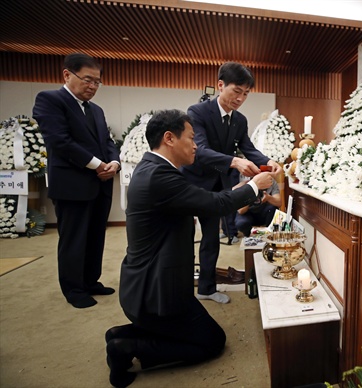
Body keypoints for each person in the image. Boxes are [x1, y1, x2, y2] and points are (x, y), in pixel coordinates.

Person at [106, 109, 273, 387]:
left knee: (194, 332)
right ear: (169, 138)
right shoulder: (160, 176)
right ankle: (126, 346)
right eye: (191, 137)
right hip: (156, 294)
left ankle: (121, 334)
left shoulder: (154, 169)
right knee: (212, 342)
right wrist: (254, 187)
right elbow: (216, 205)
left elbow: (208, 198)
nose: (196, 145)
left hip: (149, 285)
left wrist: (243, 188)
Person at [182, 62, 282, 304]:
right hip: (193, 182)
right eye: (237, 91)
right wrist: (234, 162)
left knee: (210, 239)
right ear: (220, 85)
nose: (241, 98)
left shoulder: (240, 120)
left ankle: (206, 288)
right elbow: (200, 150)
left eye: (246, 93)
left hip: (219, 185)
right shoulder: (197, 112)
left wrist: (269, 160)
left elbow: (247, 148)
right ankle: (179, 289)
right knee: (182, 238)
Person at [32, 53, 120, 309]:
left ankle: (91, 281)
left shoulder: (97, 110)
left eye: (97, 82)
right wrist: (97, 164)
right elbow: (60, 141)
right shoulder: (50, 100)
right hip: (72, 184)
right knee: (74, 239)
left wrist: (113, 163)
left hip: (101, 183)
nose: (92, 86)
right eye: (87, 80)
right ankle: (73, 289)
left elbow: (107, 142)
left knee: (95, 237)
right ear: (67, 75)